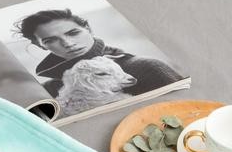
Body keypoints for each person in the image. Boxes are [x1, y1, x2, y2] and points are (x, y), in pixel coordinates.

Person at [13, 8, 184, 98]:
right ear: (41, 46)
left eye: (73, 33)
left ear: (88, 29)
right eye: (50, 40)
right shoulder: (48, 91)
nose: (68, 44)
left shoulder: (146, 68)